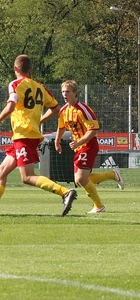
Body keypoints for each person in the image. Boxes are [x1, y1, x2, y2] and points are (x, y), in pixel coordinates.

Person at [0, 55, 78, 223]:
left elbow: (11, 105)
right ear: (30, 69)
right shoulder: (39, 87)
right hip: (25, 135)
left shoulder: (15, 84)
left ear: (15, 69)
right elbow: (55, 107)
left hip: (24, 135)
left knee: (27, 177)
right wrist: (39, 120)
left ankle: (64, 192)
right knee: (0, 172)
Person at [54, 80, 124, 214]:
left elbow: (94, 130)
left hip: (88, 145)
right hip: (79, 147)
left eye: (67, 91)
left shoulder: (83, 110)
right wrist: (57, 141)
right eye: (63, 91)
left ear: (75, 93)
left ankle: (99, 207)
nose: (64, 94)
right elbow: (61, 127)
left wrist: (79, 142)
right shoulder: (63, 110)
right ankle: (112, 174)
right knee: (80, 180)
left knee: (81, 179)